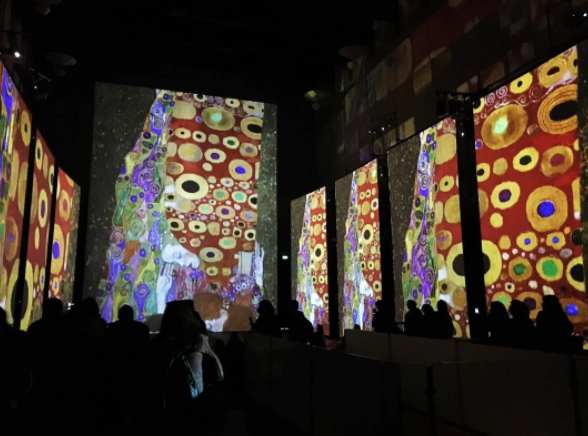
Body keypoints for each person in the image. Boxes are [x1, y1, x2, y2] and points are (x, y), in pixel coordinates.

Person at [150, 301, 223, 430]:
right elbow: (219, 374)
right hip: (196, 406)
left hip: (167, 409)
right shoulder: (198, 341)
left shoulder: (157, 344)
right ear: (189, 318)